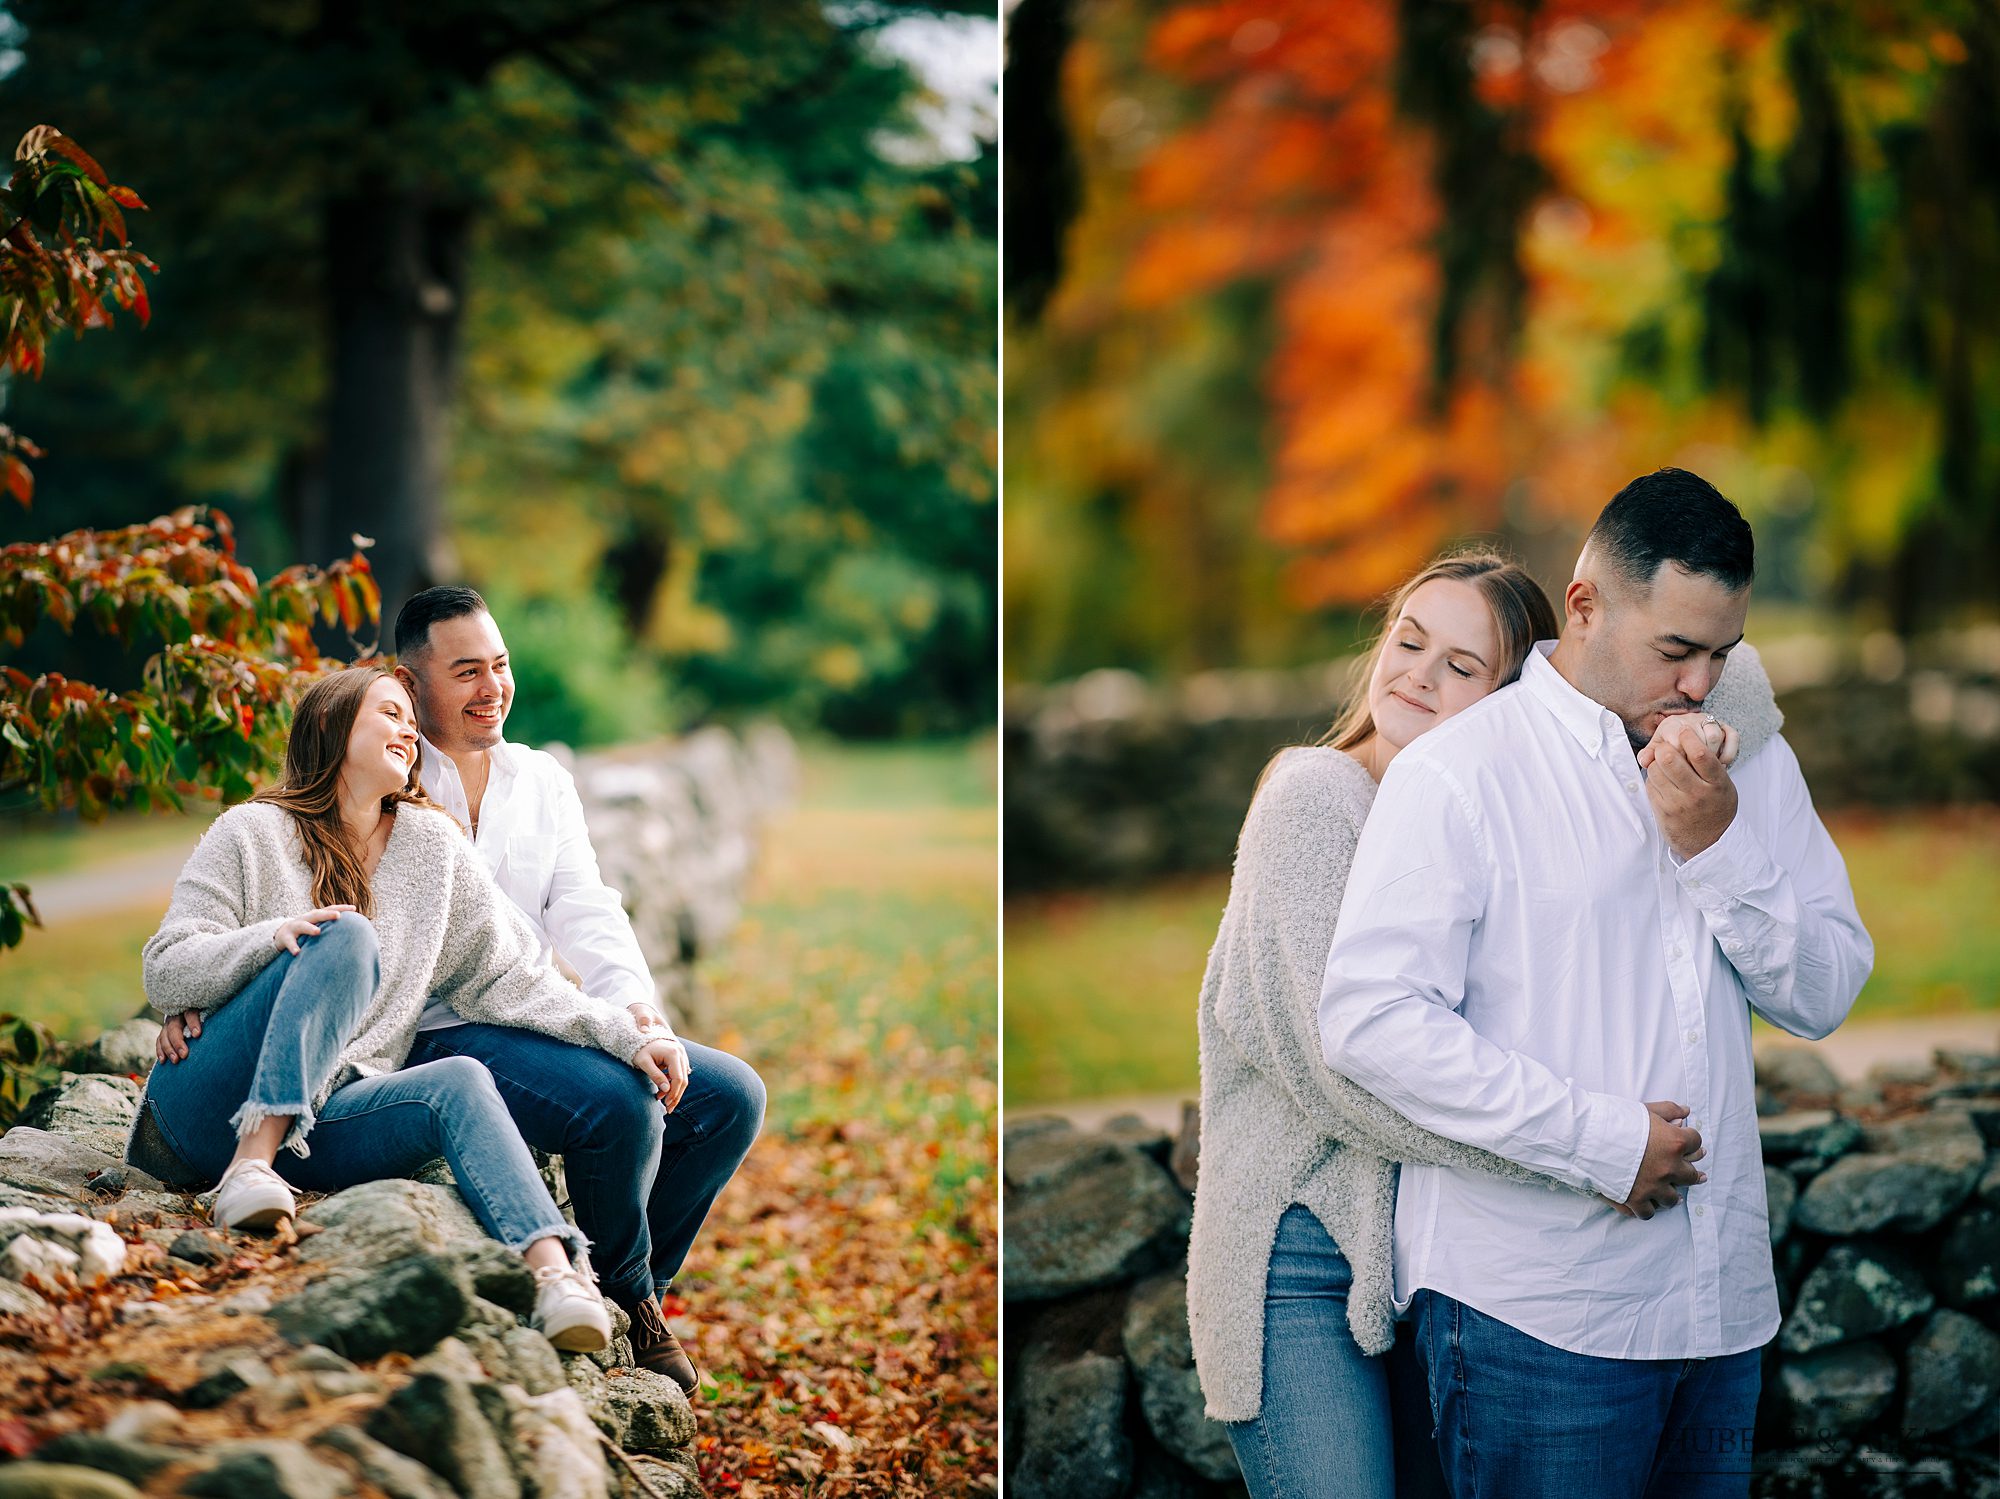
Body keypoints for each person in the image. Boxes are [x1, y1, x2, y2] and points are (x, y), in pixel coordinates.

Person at [1319, 470, 1873, 1498]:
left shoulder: (1748, 766)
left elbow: (1825, 987)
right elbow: (1371, 1020)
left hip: (1719, 1309)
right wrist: (1598, 1142)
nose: (1701, 683)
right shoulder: (1461, 771)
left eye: (1722, 651)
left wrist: (1715, 849)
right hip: (1532, 1314)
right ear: (1582, 605)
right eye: (1675, 650)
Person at [1188, 548, 1777, 1498]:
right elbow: (1347, 1077)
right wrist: (1594, 1152)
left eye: (1462, 666)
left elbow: (1721, 689)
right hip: (1301, 1247)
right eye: (1409, 641)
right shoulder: (1314, 797)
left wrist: (1682, 705)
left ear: (1512, 702)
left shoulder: (1486, 805)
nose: (1417, 673)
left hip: (1420, 1247)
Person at [161, 585, 764, 1394]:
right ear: (409, 688)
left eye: (501, 666)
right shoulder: (291, 822)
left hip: (484, 1022)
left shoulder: (504, 797)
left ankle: (616, 1286)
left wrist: (636, 1019)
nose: (492, 688)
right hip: (421, 1033)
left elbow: (550, 937)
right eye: (467, 672)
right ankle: (620, 1286)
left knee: (729, 1096)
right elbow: (189, 951)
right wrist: (224, 971)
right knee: (615, 1104)